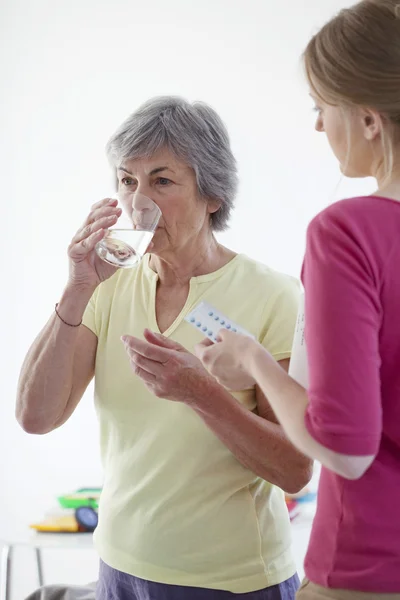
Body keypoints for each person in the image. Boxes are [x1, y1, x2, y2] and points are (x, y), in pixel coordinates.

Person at [16, 96, 312, 600]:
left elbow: (294, 469)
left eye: (162, 181)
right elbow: (36, 416)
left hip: (230, 581)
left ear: (212, 195)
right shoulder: (107, 286)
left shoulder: (275, 295)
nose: (137, 203)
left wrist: (201, 393)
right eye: (126, 180)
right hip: (120, 566)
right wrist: (77, 287)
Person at [195, 1, 400, 599]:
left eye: (322, 107)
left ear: (367, 118)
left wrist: (254, 361)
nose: (318, 126)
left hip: (370, 570)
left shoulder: (349, 231)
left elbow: (346, 446)